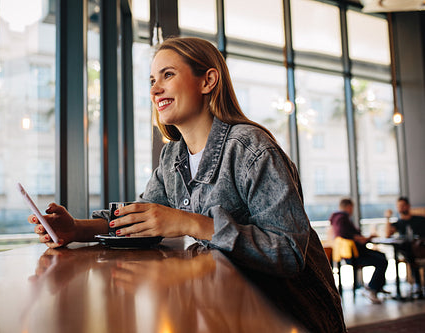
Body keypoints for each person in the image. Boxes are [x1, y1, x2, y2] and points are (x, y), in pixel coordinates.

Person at [28, 37, 346, 332]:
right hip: (220, 311)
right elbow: (139, 217)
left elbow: (289, 253)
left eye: (167, 75)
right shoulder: (173, 156)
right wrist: (74, 230)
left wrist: (189, 223)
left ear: (207, 80)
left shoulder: (251, 148)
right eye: (152, 80)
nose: (155, 90)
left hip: (283, 316)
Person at [329, 198, 388, 304]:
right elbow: (351, 237)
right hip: (355, 255)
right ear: (349, 207)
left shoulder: (336, 219)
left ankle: (377, 287)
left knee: (382, 256)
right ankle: (372, 288)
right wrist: (367, 238)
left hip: (349, 254)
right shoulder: (343, 219)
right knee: (382, 261)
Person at [385, 197, 425, 295]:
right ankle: (417, 284)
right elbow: (387, 234)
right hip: (409, 251)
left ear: (408, 206)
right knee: (406, 249)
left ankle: (418, 284)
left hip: (422, 247)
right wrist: (388, 218)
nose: (401, 208)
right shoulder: (398, 223)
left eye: (403, 205)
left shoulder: (420, 219)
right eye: (399, 206)